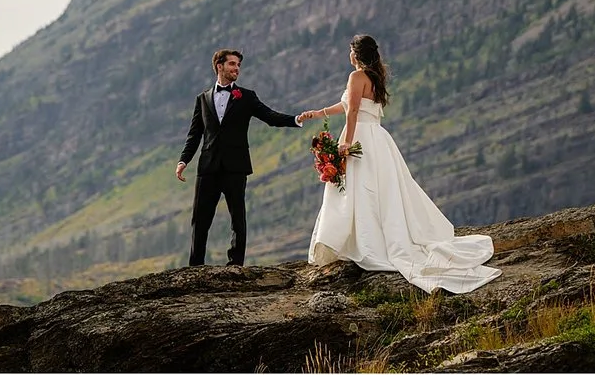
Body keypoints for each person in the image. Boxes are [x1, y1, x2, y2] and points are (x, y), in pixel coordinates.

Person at [297, 35, 500, 293]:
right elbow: (351, 105)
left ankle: (363, 242)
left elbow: (354, 112)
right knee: (379, 190)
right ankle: (367, 238)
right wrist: (320, 113)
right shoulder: (374, 76)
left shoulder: (356, 77)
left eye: (350, 51)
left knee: (360, 189)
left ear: (356, 54)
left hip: (360, 136)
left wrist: (345, 142)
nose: (348, 56)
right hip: (377, 138)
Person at [178, 48, 303, 267]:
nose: (237, 69)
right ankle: (195, 266)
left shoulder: (246, 96)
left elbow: (270, 117)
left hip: (236, 166)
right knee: (200, 219)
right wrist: (183, 161)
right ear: (220, 66)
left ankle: (235, 264)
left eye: (238, 65)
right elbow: (194, 134)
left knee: (238, 218)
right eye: (232, 64)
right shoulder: (202, 99)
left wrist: (296, 119)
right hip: (208, 166)